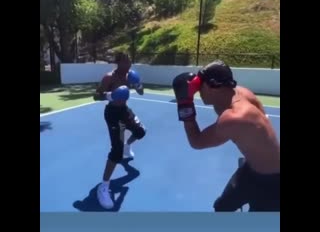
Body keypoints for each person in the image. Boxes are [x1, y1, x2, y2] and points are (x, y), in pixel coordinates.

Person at [172, 60, 280, 212]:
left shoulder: (235, 117)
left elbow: (197, 142)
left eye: (200, 87)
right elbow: (262, 118)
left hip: (273, 182)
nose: (198, 92)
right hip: (251, 169)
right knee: (222, 207)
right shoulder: (240, 92)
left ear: (212, 87)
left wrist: (185, 104)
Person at [93, 52, 146, 209]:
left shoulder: (131, 75)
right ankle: (103, 186)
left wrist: (138, 84)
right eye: (125, 62)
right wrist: (111, 95)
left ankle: (127, 146)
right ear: (118, 63)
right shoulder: (109, 77)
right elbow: (96, 96)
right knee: (116, 151)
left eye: (130, 61)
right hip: (112, 114)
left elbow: (141, 92)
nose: (128, 65)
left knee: (140, 132)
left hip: (124, 110)